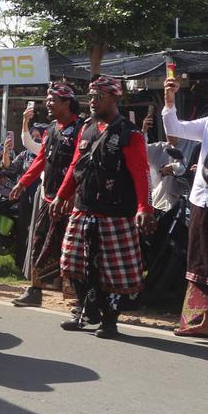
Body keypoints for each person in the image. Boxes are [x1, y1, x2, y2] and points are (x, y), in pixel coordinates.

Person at [51, 75, 151, 339]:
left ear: (114, 98)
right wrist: (63, 195)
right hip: (83, 207)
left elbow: (141, 173)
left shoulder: (130, 134)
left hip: (116, 213)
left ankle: (110, 320)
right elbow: (75, 165)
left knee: (114, 274)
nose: (93, 102)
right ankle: (86, 310)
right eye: (91, 97)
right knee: (72, 264)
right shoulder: (86, 128)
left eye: (99, 97)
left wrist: (144, 208)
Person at [8, 82, 83, 308]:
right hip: (49, 198)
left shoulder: (80, 128)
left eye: (52, 101)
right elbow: (42, 159)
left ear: (66, 102)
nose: (48, 104)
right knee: (39, 241)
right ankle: (35, 290)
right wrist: (22, 183)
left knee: (72, 248)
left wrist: (68, 195)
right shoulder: (51, 129)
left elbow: (77, 165)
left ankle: (76, 295)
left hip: (71, 201)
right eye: (47, 100)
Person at [162, 75, 208, 337]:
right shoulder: (207, 124)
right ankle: (205, 321)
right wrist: (170, 102)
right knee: (201, 261)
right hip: (202, 201)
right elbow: (176, 130)